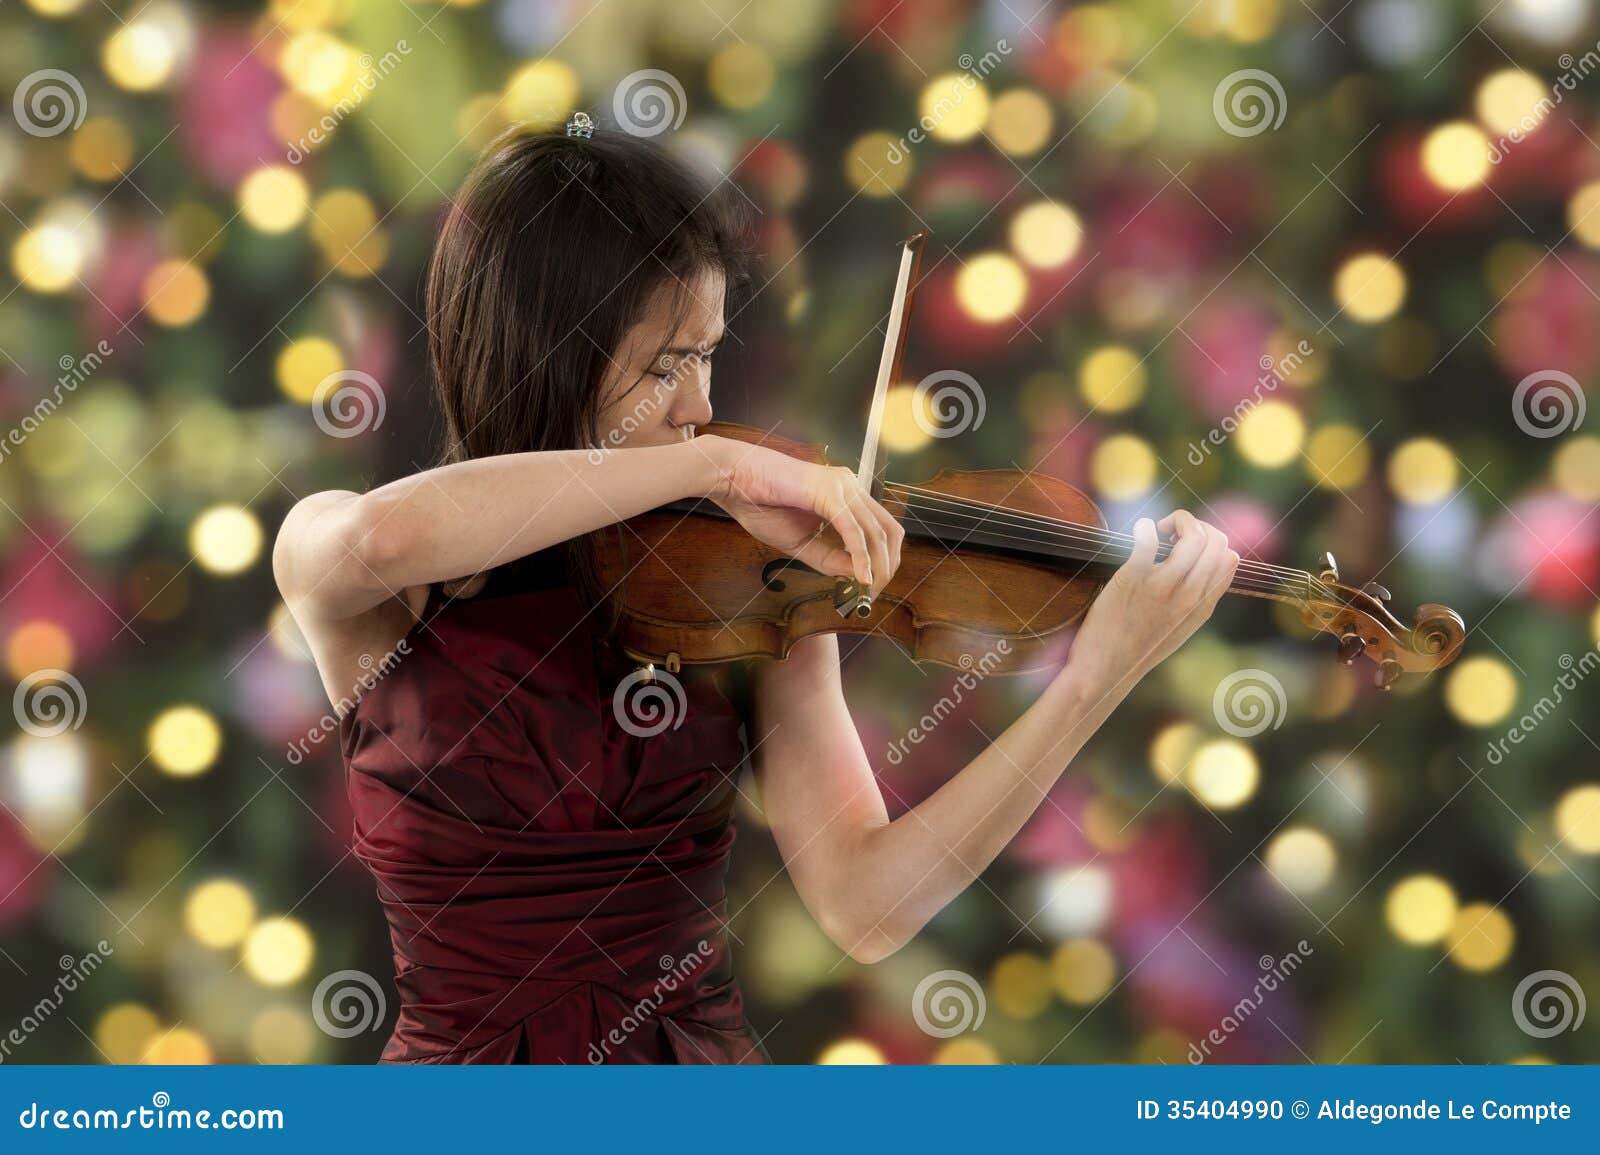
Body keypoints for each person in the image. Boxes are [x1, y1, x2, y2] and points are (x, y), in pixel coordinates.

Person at [272, 120, 1239, 1064]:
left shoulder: (748, 581)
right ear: (550, 353)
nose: (701, 404)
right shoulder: (372, 563)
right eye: (666, 365)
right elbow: (378, 537)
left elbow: (867, 907)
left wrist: (1091, 683)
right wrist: (719, 466)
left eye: (707, 356)